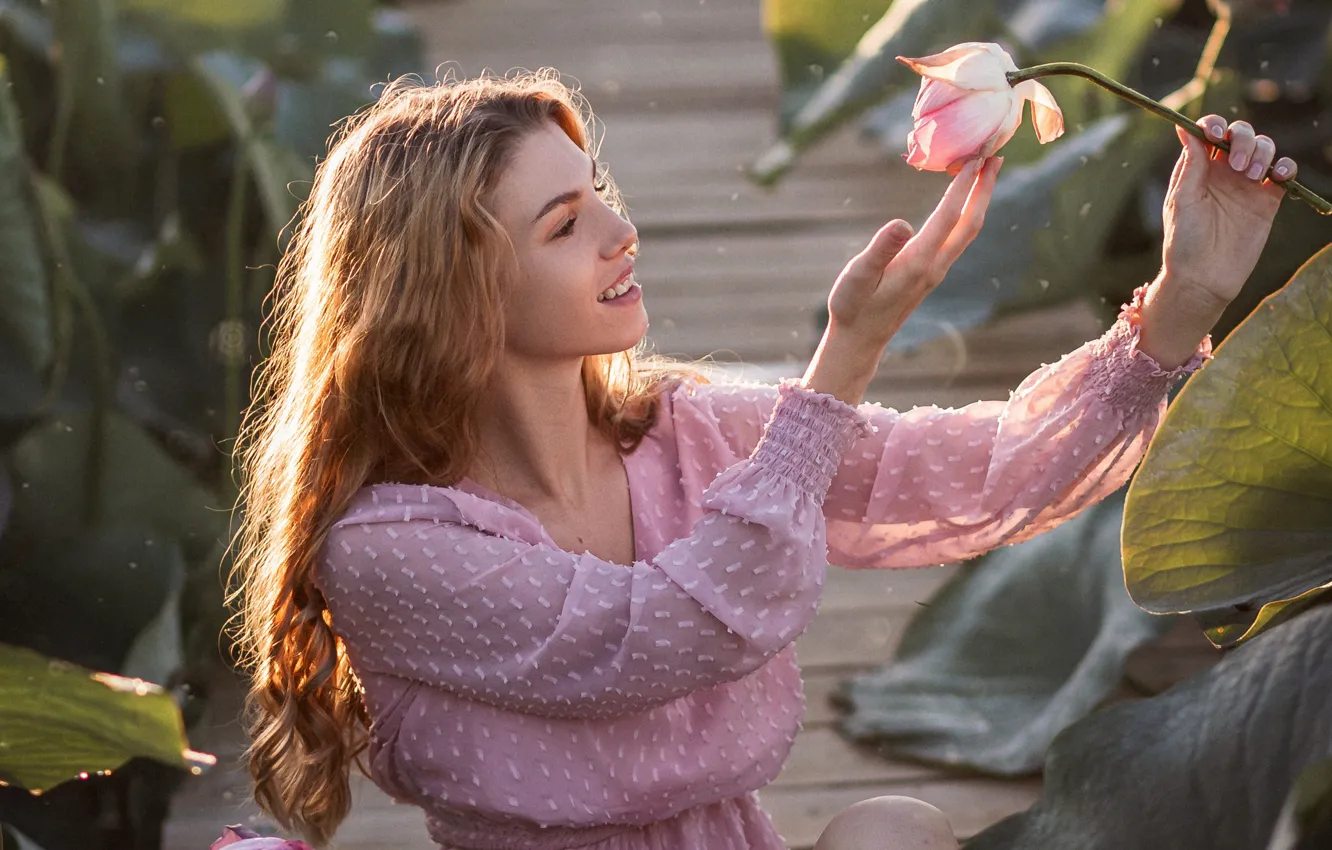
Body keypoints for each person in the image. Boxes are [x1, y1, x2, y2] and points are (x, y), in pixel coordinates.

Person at [227, 69, 1297, 850]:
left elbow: (981, 472)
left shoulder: (687, 434)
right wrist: (847, 355)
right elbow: (664, 629)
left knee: (894, 830)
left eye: (599, 189)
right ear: (450, 290)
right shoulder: (391, 546)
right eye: (565, 224)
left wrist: (1183, 297)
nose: (621, 229)